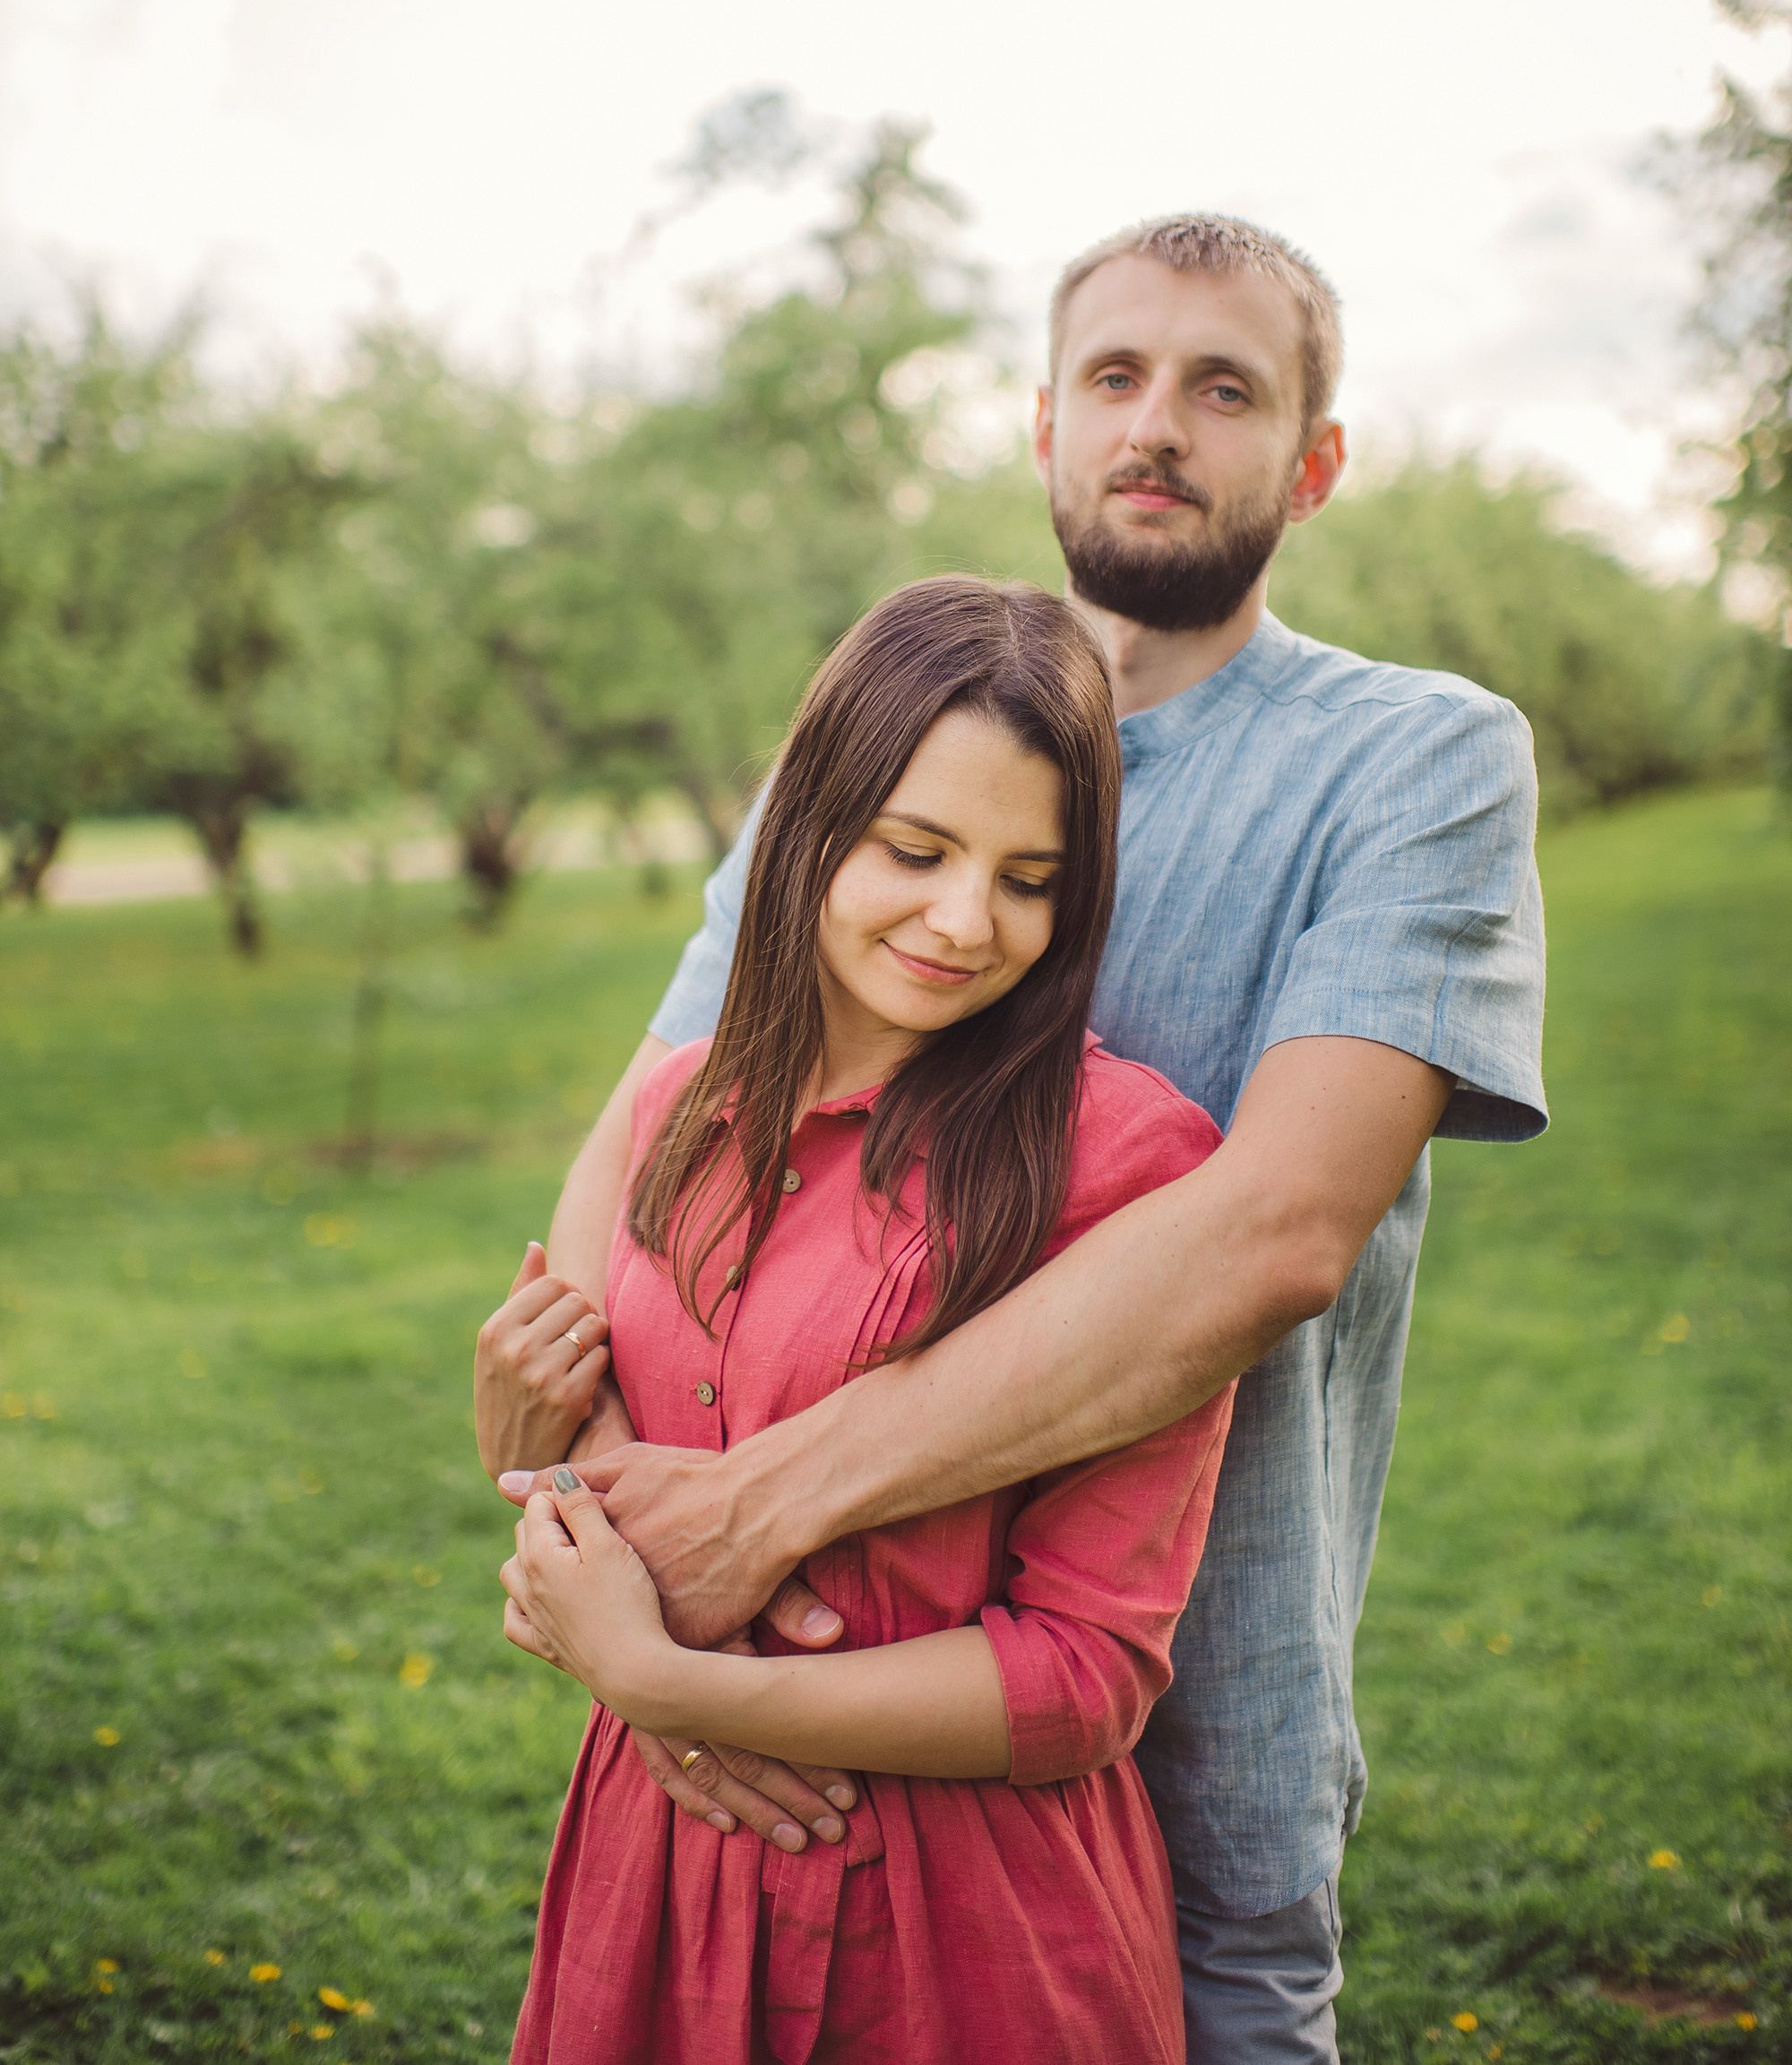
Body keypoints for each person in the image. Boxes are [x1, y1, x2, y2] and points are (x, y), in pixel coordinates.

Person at [479, 213, 1548, 2062]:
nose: (1157, 425)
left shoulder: (1412, 762)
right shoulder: (894, 741)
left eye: (1225, 388)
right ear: (1040, 423)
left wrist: (745, 1530)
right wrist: (637, 1619)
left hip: (1172, 1723)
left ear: (1313, 460)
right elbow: (643, 1147)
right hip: (730, 1751)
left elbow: (1270, 1234)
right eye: (1114, 378)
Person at [497, 574, 1235, 2064]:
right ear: (812, 821)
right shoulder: (677, 1112)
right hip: (654, 1884)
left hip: (960, 1939)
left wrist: (659, 1681)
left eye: (1030, 878)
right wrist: (530, 1461)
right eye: (916, 849)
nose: (967, 922)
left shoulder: (1131, 1170)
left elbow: (1085, 1678)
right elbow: (581, 1482)